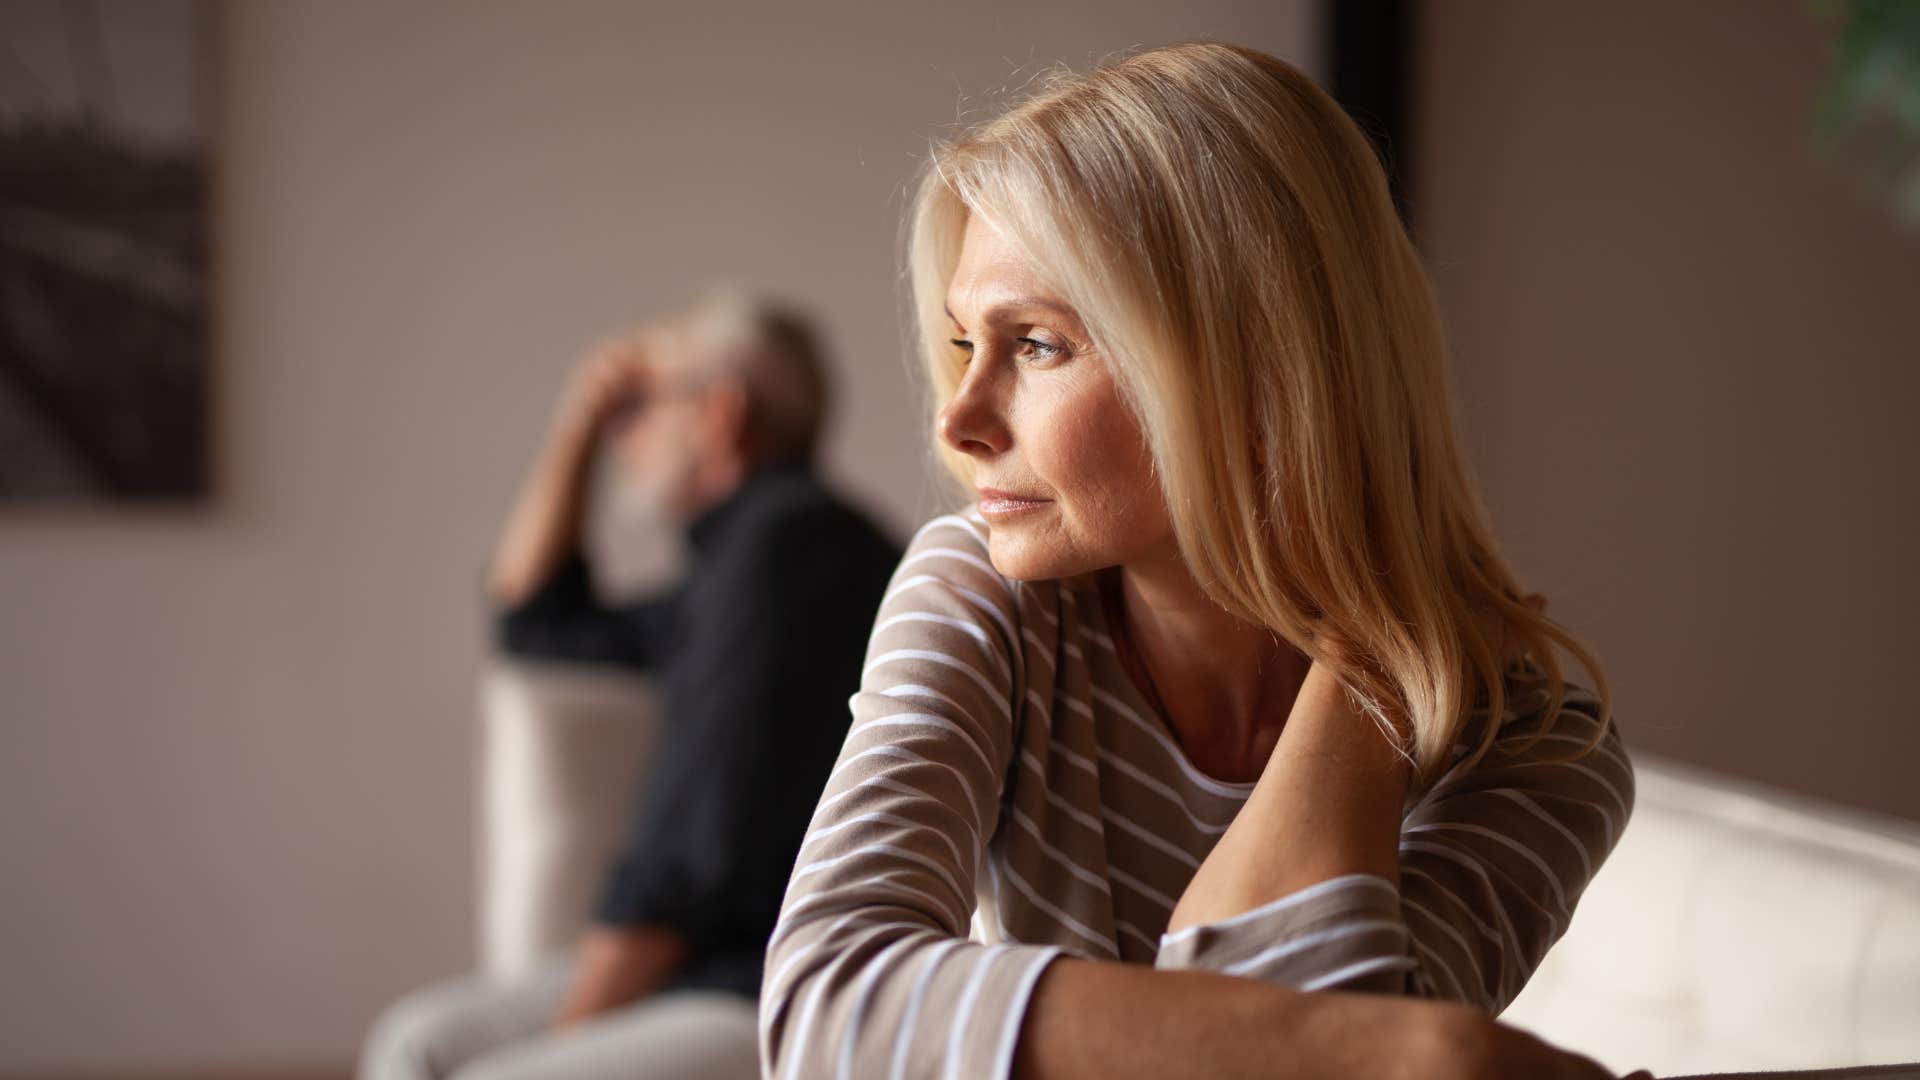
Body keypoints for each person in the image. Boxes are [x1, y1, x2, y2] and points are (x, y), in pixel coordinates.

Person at [759, 42, 1646, 1080]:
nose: (959, 422)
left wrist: (1371, 669)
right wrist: (1426, 1049)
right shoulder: (987, 600)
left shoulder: (1535, 744)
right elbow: (826, 1008)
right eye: (966, 345)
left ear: (1258, 373)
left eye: (1036, 344)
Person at [360, 290, 902, 1080]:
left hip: (776, 984)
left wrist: (571, 1036)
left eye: (639, 410)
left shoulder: (789, 558)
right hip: (699, 970)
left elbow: (686, 858)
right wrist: (578, 421)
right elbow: (534, 621)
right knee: (414, 1040)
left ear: (719, 414)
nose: (626, 439)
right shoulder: (740, 563)